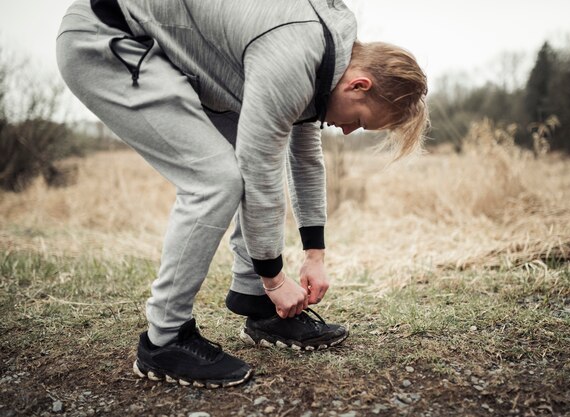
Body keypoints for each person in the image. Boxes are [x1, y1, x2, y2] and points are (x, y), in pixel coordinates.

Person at [56, 0, 429, 388]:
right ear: (359, 84)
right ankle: (164, 340)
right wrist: (274, 279)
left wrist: (314, 256)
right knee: (215, 180)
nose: (348, 131)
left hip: (167, 53)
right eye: (360, 121)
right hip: (106, 38)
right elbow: (260, 169)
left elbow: (304, 158)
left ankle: (256, 303)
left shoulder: (326, 56)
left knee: (240, 168)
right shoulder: (293, 54)